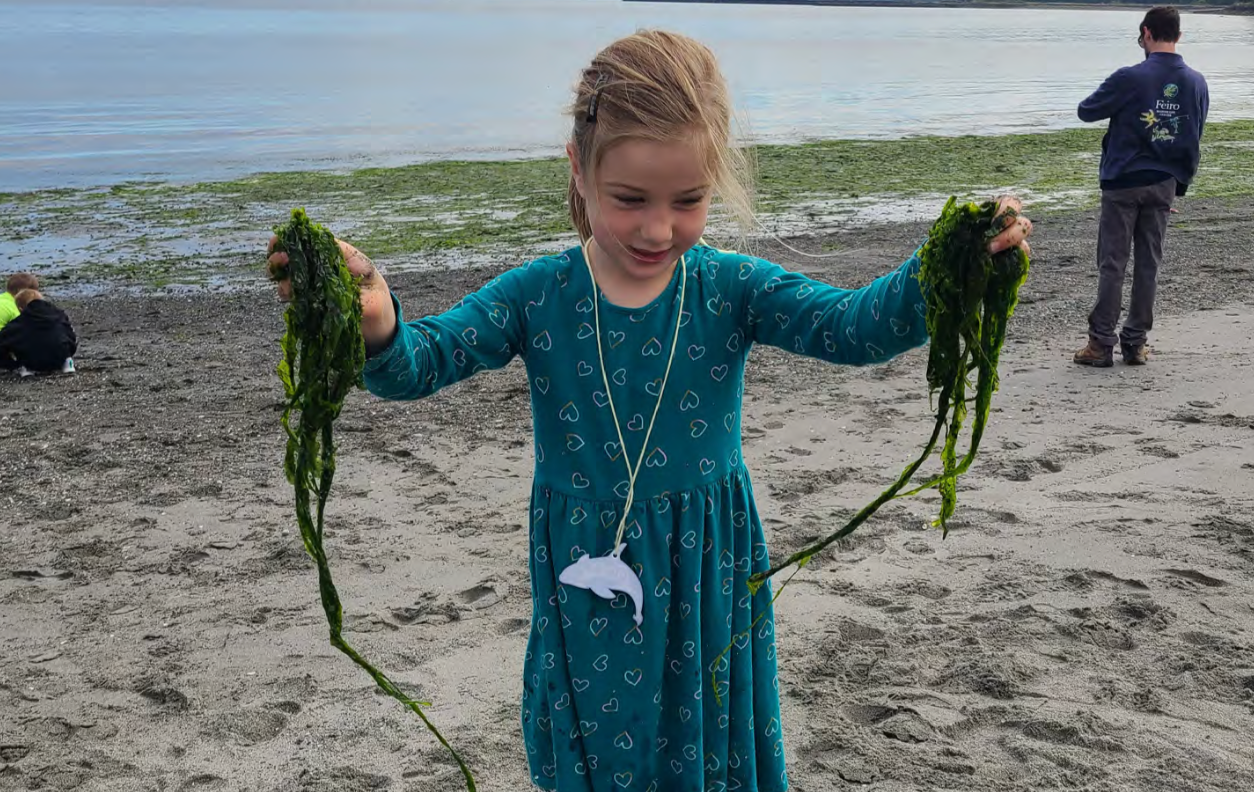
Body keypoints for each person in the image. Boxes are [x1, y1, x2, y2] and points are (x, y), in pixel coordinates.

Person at [267, 30, 1033, 791]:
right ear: (579, 168)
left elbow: (853, 327)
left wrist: (950, 264)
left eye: (689, 201)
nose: (658, 229)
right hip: (583, 559)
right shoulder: (538, 294)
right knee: (599, 739)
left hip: (709, 559)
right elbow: (420, 363)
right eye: (629, 199)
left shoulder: (731, 287)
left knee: (707, 734)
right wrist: (371, 320)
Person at [1073, 5, 1208, 367]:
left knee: (1113, 264)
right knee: (1149, 264)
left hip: (1123, 181)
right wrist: (1179, 185)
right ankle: (1135, 344)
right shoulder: (1196, 81)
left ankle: (1101, 344)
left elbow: (1086, 110)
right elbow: (1194, 136)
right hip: (1163, 182)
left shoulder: (1130, 77)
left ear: (1146, 33)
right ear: (1178, 35)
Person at [0, 289, 78, 375]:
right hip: (59, 356)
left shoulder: (18, 323)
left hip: (32, 362)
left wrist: (10, 364)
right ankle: (67, 361)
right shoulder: (59, 316)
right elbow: (71, 336)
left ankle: (24, 368)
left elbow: (3, 340)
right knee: (63, 336)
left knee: (16, 343)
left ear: (20, 309)